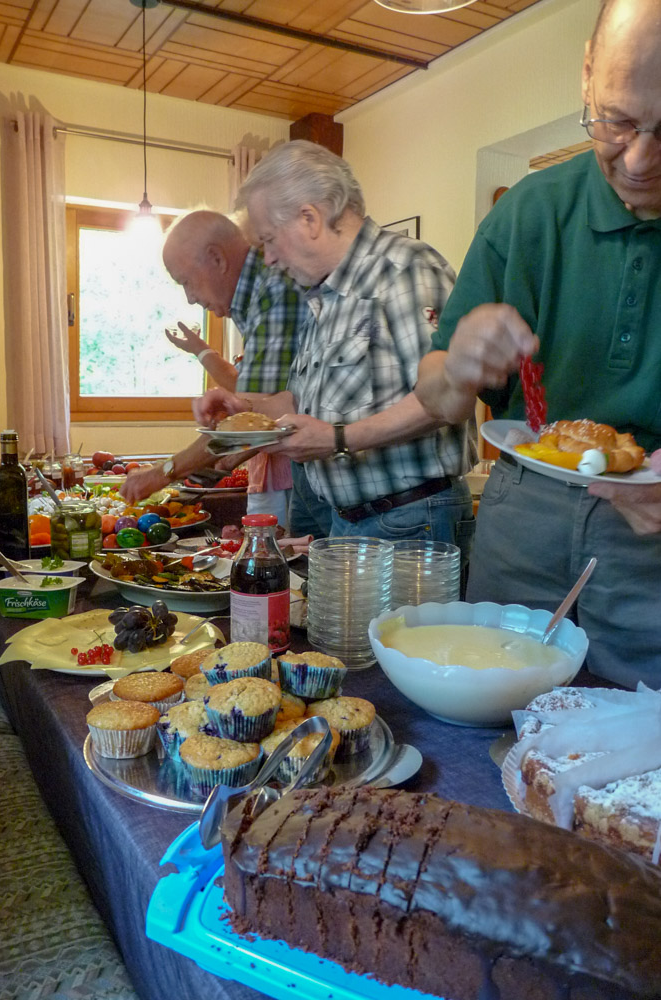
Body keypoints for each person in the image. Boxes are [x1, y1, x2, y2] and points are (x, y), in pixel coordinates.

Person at [415, 0, 661, 687]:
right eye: (617, 121)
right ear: (587, 75)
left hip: (653, 545)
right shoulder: (527, 212)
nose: (640, 160)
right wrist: (457, 363)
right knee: (491, 714)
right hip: (522, 515)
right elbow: (435, 396)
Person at [194, 140, 476, 555]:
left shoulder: (402, 271)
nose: (268, 258)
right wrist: (245, 409)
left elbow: (447, 399)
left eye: (269, 240)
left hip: (410, 520)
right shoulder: (322, 295)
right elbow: (305, 400)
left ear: (310, 218)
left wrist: (338, 439)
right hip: (353, 519)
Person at [120, 210, 332, 536]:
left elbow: (249, 426)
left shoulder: (272, 290)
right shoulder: (254, 298)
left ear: (217, 258)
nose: (190, 298)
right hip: (311, 473)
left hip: (331, 476)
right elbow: (267, 406)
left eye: (186, 282)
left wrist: (163, 472)